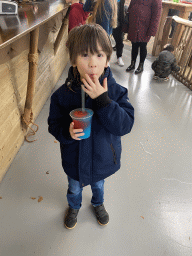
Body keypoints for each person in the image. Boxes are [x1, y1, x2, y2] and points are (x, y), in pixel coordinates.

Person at [48, 24, 134, 229]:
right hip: (74, 159)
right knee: (74, 187)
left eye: (99, 55)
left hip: (102, 159)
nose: (93, 63)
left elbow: (125, 125)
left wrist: (104, 101)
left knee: (99, 185)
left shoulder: (117, 92)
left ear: (107, 60)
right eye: (85, 55)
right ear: (73, 60)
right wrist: (67, 133)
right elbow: (54, 124)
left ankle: (98, 203)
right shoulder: (62, 95)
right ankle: (74, 206)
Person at [126, 0, 162, 74]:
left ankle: (141, 65)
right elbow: (131, 6)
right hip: (134, 23)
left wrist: (152, 30)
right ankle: (132, 64)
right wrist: (127, 24)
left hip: (145, 26)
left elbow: (156, 14)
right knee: (134, 45)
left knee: (143, 46)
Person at [112, 0, 125, 67]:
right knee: (105, 40)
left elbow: (122, 11)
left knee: (119, 40)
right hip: (108, 20)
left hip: (118, 21)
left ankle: (119, 57)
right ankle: (105, 59)